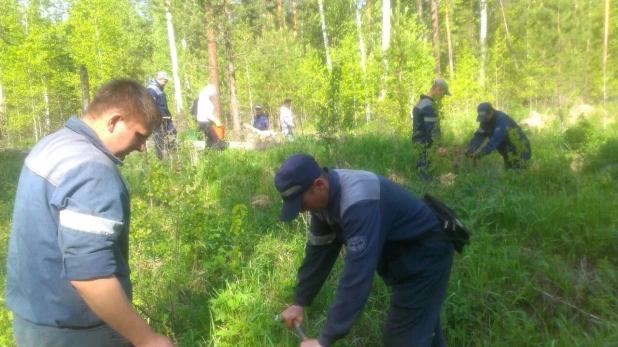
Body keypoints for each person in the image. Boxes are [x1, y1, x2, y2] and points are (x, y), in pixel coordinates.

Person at [5, 79, 175, 347]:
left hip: (32, 320)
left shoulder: (51, 145)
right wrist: (147, 339)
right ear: (115, 120)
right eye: (140, 135)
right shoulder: (93, 170)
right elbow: (90, 274)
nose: (142, 147)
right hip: (76, 330)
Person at [275, 154, 454, 347]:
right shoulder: (322, 202)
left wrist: (323, 340)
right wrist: (299, 301)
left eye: (302, 204)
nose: (302, 211)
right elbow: (318, 253)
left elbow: (357, 276)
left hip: (426, 255)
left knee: (402, 338)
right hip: (404, 257)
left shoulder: (359, 203)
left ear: (319, 185)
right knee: (424, 331)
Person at [466, 102, 532, 169]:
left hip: (520, 149)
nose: (483, 120)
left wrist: (483, 152)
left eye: (485, 117)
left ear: (490, 111)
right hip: (507, 151)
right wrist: (472, 148)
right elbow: (479, 135)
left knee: (519, 173)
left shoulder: (502, 119)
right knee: (509, 174)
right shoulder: (485, 121)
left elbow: (497, 138)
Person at [412, 78, 450, 180]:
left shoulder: (420, 102)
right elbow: (431, 129)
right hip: (426, 146)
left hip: (418, 143)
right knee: (426, 176)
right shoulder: (428, 106)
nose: (442, 97)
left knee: (421, 171)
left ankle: (420, 190)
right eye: (443, 93)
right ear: (438, 89)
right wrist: (438, 147)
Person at [147, 71, 176, 159]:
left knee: (173, 133)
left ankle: (170, 156)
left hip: (165, 118)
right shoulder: (151, 89)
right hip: (157, 119)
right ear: (159, 79)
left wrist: (170, 116)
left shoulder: (159, 88)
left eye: (166, 81)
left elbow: (163, 105)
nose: (166, 83)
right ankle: (162, 160)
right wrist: (157, 117)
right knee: (159, 139)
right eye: (165, 81)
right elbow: (150, 105)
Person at [193, 84, 223, 148]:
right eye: (213, 93)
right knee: (215, 138)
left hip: (203, 121)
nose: (213, 95)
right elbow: (206, 113)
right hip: (204, 121)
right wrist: (215, 120)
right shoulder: (204, 99)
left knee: (209, 139)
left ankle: (207, 154)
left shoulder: (204, 97)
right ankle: (217, 155)